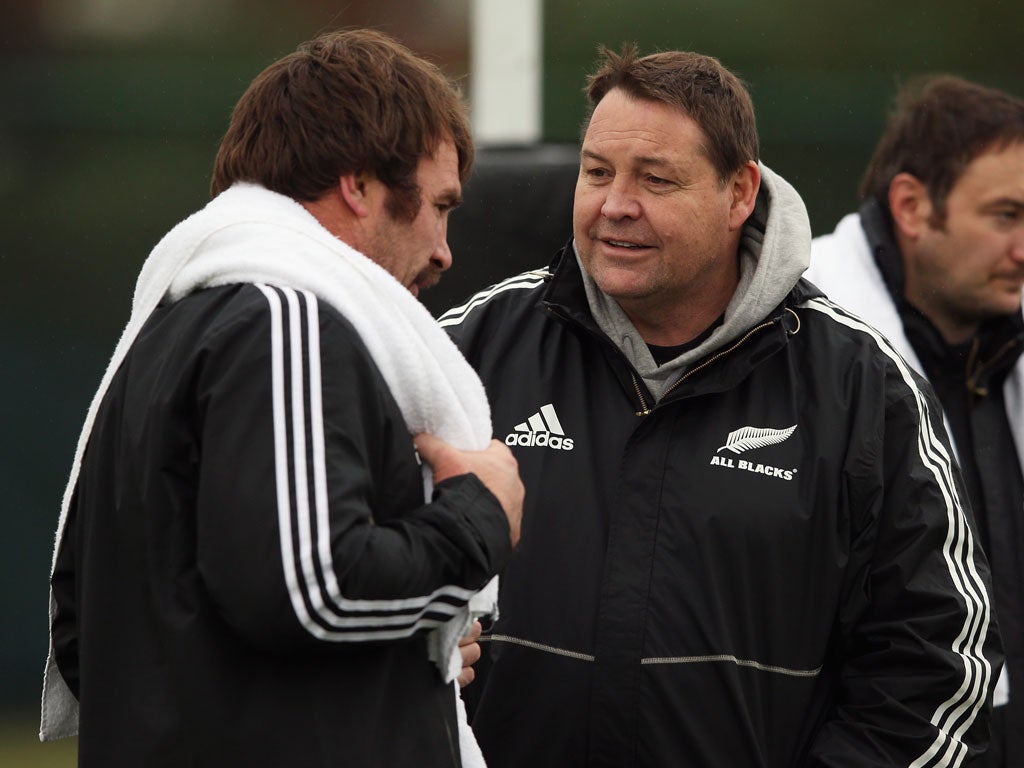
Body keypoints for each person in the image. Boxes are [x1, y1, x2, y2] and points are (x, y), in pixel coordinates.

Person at [440, 45, 1002, 767]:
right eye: (596, 172)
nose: (615, 205)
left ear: (739, 194)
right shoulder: (472, 348)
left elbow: (940, 666)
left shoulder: (862, 387)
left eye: (656, 179)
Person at [39, 28, 523, 768]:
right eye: (439, 206)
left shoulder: (168, 328)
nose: (444, 251)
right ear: (358, 185)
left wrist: (395, 667)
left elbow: (84, 630)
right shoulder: (283, 318)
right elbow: (313, 592)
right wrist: (478, 515)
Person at [806, 75, 1024, 768]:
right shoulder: (798, 345)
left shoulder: (1001, 334)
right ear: (911, 206)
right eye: (1005, 215)